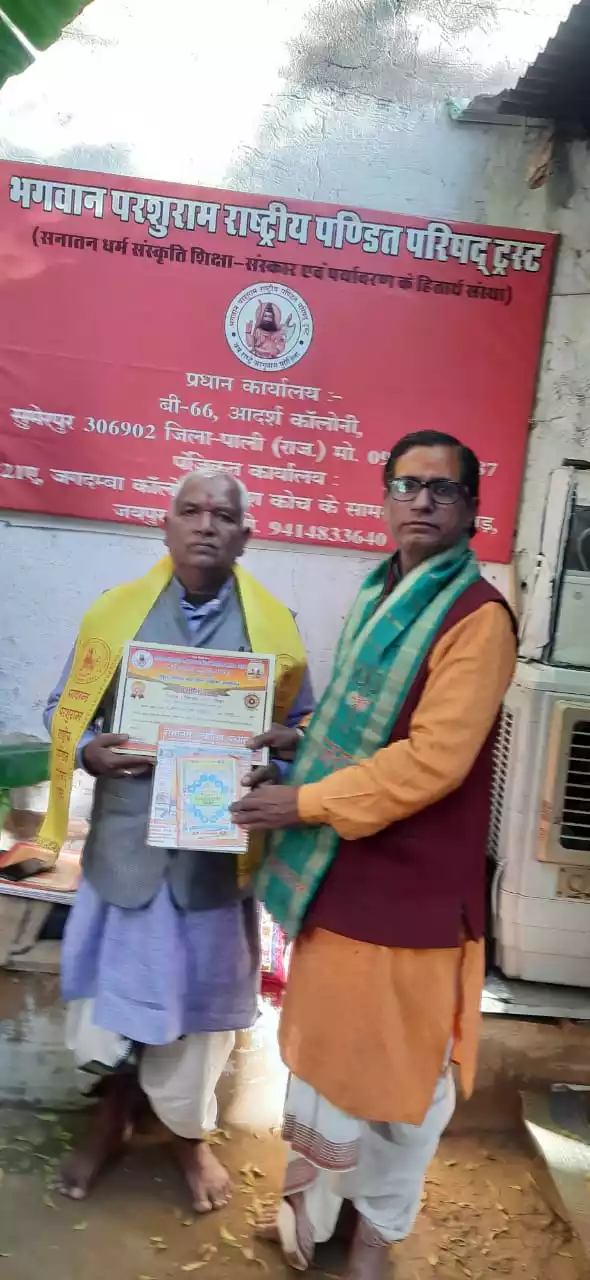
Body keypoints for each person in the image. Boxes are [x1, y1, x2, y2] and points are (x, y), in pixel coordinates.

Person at [232, 431, 517, 1278]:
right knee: (325, 1068)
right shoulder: (378, 592)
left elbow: (433, 760)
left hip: (413, 895)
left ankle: (374, 1237)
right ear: (385, 497)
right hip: (343, 874)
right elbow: (368, 725)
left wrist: (303, 801)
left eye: (442, 488)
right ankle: (312, 1218)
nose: (421, 500)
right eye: (406, 484)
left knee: (401, 1087)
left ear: (472, 509)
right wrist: (303, 741)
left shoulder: (478, 618)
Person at [38, 470, 313, 1208]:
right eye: (190, 511)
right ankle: (112, 1118)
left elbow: (304, 729)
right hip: (126, 851)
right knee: (110, 1008)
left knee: (197, 1010)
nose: (206, 525)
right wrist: (89, 751)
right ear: (165, 527)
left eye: (223, 515)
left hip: (213, 859)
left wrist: (281, 760)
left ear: (245, 536)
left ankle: (190, 1137)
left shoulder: (276, 631)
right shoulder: (115, 615)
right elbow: (64, 711)